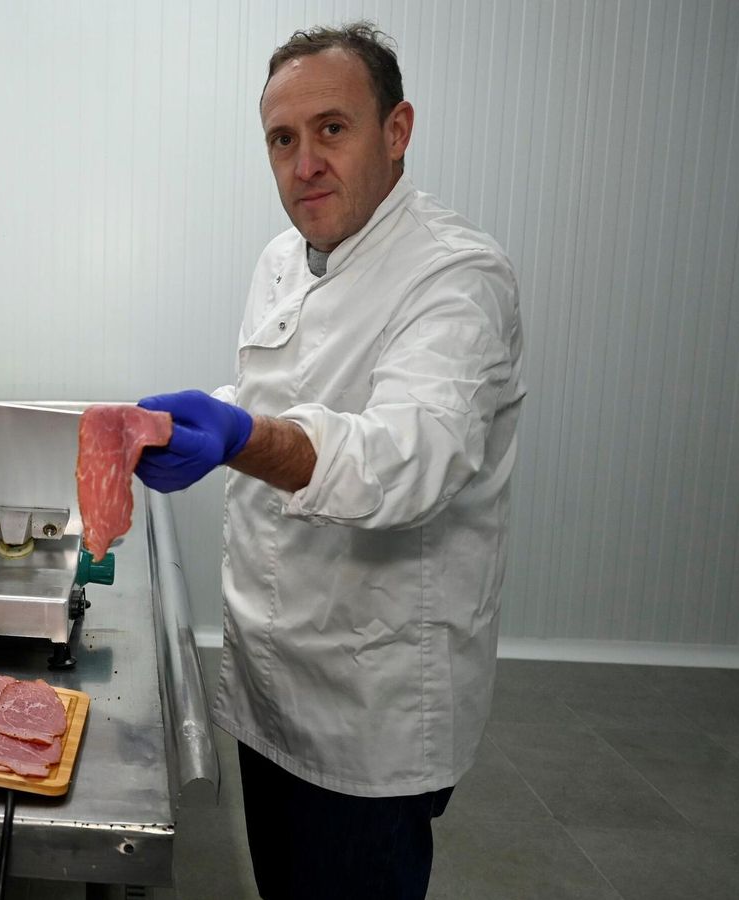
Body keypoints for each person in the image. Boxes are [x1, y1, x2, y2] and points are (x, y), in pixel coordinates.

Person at [134, 23, 525, 900]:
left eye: (332, 129)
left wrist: (240, 439)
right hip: (272, 682)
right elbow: (277, 396)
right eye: (283, 138)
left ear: (396, 131)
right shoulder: (282, 260)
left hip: (369, 705)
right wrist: (203, 422)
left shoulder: (455, 278)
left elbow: (410, 457)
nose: (304, 161)